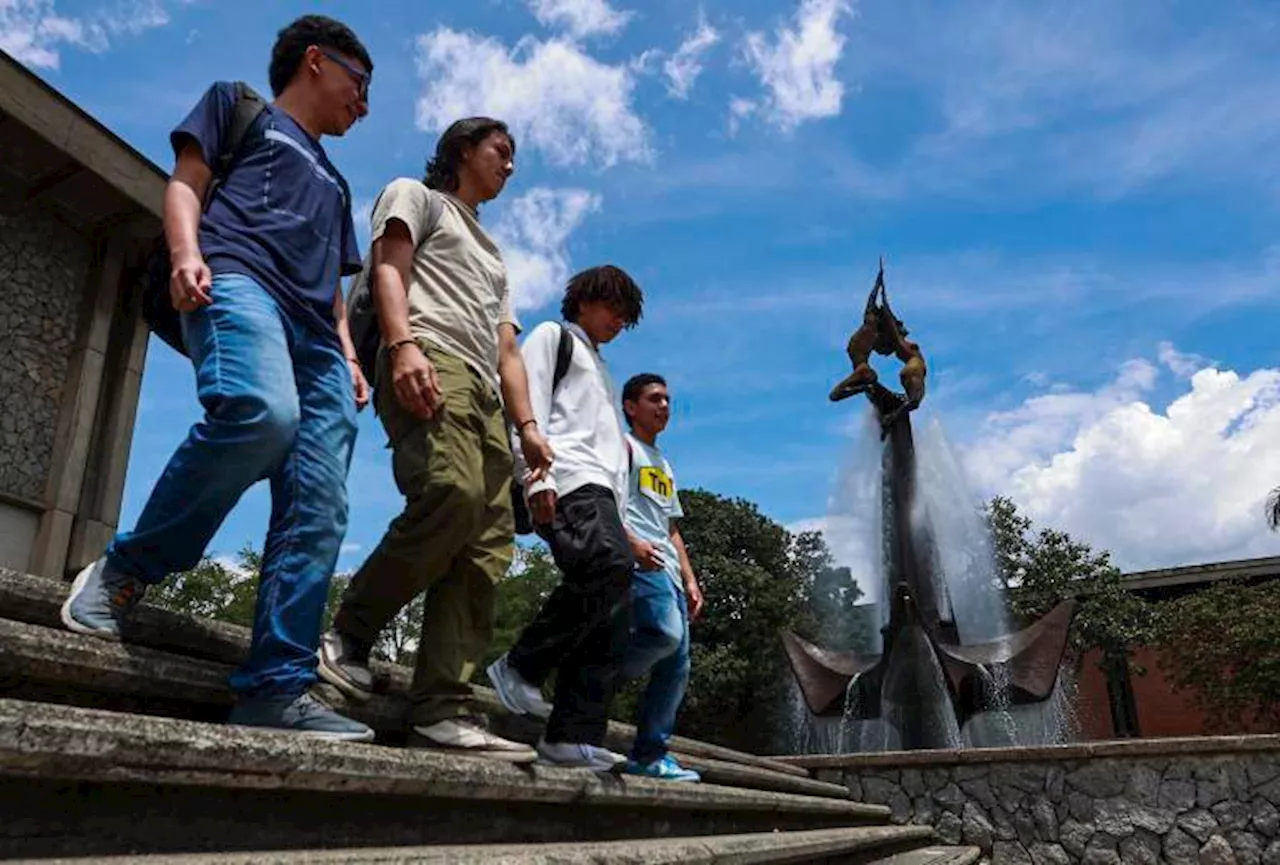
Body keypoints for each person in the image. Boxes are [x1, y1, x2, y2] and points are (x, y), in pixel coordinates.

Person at [60, 15, 375, 741]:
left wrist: (351, 356)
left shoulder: (337, 182)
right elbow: (185, 185)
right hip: (237, 280)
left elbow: (332, 283)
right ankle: (123, 571)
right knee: (261, 413)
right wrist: (182, 255)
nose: (364, 104)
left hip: (316, 336)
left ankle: (275, 686)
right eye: (360, 84)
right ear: (316, 61)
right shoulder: (241, 109)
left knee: (321, 502)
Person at [316, 118, 553, 762]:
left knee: (486, 546)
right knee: (450, 492)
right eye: (501, 151)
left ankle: (443, 707)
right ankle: (347, 635)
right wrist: (401, 347)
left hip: (486, 393)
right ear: (461, 152)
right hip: (430, 357)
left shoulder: (496, 256)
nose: (509, 165)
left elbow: (507, 350)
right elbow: (390, 272)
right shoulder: (413, 197)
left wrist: (528, 428)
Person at [486, 266, 643, 771]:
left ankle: (572, 737)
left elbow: (612, 457)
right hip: (567, 478)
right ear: (583, 300)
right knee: (604, 568)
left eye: (627, 315)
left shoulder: (603, 370)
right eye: (612, 307)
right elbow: (523, 404)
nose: (619, 320)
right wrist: (535, 477)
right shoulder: (555, 338)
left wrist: (627, 527)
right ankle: (518, 666)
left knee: (613, 611)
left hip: (604, 496)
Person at [617, 374, 705, 781]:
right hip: (640, 561)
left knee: (677, 665)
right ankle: (592, 678)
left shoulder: (663, 463)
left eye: (668, 399)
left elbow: (672, 528)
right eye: (655, 399)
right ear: (631, 406)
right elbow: (609, 500)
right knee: (665, 635)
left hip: (667, 568)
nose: (664, 406)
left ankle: (649, 755)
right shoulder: (623, 447)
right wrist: (630, 542)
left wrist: (689, 579)